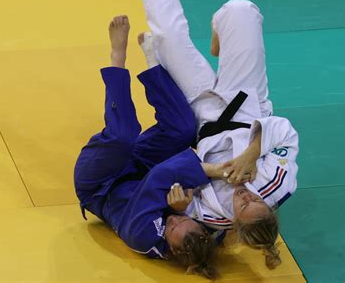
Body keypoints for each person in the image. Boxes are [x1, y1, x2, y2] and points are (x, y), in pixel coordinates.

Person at [139, 0, 300, 269]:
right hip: (247, 102)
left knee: (167, 37)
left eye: (243, 206)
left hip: (203, 116)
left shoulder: (213, 215)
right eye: (256, 200)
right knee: (241, 10)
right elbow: (284, 131)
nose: (246, 196)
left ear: (234, 223)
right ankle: (221, 38)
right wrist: (252, 153)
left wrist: (179, 206)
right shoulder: (277, 184)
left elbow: (180, 192)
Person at [74, 15, 233, 279]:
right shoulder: (202, 237)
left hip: (100, 184)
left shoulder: (143, 237)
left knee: (122, 137)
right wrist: (185, 209)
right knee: (183, 129)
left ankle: (117, 58)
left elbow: (159, 178)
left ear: (171, 250)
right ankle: (152, 62)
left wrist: (213, 170)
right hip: (140, 167)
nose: (175, 220)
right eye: (184, 221)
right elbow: (223, 225)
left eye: (172, 228)